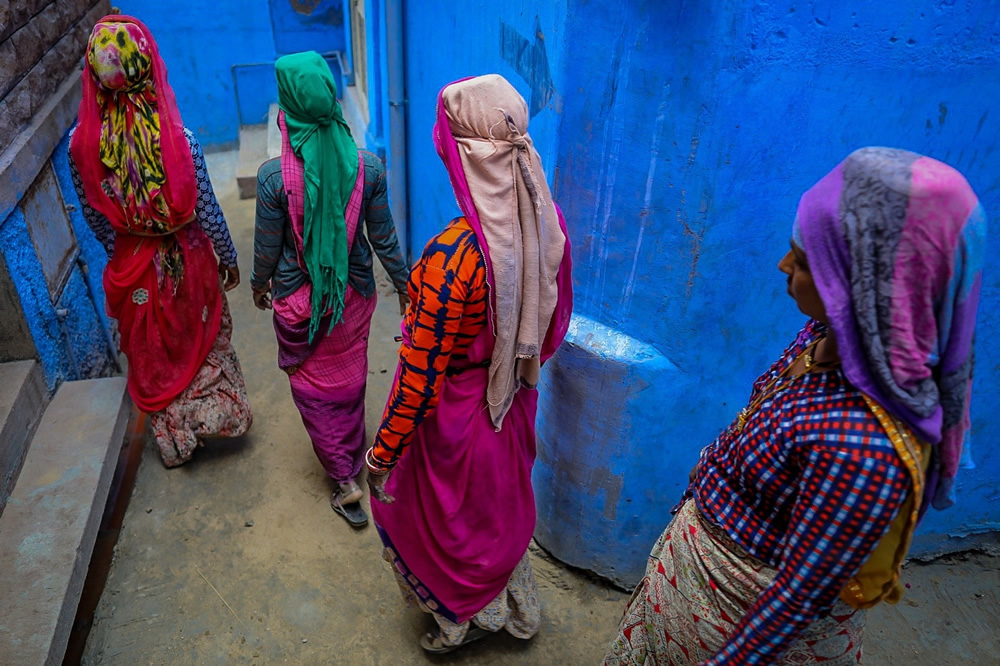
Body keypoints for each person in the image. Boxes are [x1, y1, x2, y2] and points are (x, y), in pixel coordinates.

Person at [604, 147, 985, 665]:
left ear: (865, 290)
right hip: (692, 590)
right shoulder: (829, 337)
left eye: (806, 261)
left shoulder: (868, 451)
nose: (784, 266)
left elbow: (798, 596)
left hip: (731, 627)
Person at [365, 74, 574, 654]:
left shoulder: (450, 259)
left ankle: (457, 620)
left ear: (461, 156)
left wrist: (382, 454)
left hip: (457, 417)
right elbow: (551, 327)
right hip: (512, 401)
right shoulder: (546, 224)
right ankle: (519, 613)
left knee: (448, 528)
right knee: (501, 514)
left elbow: (418, 375)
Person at [69, 15, 252, 467]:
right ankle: (211, 418)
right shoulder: (179, 141)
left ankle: (177, 440)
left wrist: (124, 256)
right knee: (201, 337)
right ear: (147, 65)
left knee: (155, 354)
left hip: (132, 264)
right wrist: (227, 257)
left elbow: (95, 217)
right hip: (187, 261)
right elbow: (205, 206)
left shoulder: (80, 147)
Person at [251, 51, 410, 528]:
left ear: (288, 105)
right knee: (349, 377)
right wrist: (405, 287)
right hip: (354, 296)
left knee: (315, 389)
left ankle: (344, 479)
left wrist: (260, 285)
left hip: (300, 305)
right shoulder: (368, 167)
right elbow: (383, 238)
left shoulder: (273, 178)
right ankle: (356, 453)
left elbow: (265, 250)